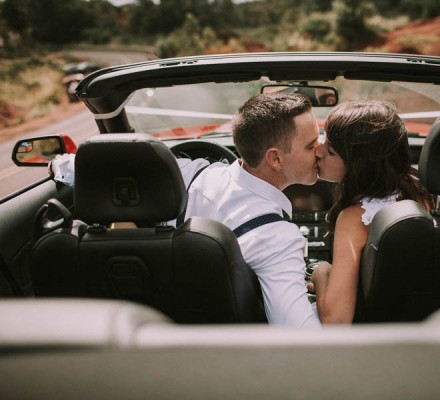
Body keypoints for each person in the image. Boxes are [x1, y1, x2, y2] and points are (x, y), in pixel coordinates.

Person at [52, 92, 322, 328]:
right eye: (311, 145)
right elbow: (300, 334)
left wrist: (56, 166)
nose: (320, 151)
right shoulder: (276, 238)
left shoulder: (183, 172)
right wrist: (323, 276)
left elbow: (82, 166)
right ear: (274, 158)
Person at [310, 100, 434, 324]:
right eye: (322, 136)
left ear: (359, 164)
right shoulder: (420, 195)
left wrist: (322, 272)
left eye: (330, 150)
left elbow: (336, 320)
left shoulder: (354, 218)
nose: (317, 151)